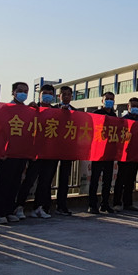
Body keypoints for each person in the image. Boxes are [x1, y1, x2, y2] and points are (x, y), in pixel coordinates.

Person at [14, 84, 58, 220]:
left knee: (45, 181)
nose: (47, 96)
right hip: (35, 152)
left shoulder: (56, 112)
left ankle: (38, 207)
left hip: (50, 152)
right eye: (45, 93)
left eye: (50, 94)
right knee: (29, 180)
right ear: (39, 95)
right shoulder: (32, 109)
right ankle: (19, 206)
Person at [0, 82, 31, 224]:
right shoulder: (6, 109)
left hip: (21, 152)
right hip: (7, 152)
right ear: (13, 92)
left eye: (25, 91)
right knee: (4, 181)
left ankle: (9, 210)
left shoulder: (27, 110)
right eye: (20, 90)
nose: (23, 93)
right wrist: (0, 150)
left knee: (15, 182)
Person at [88, 92, 118, 214]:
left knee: (108, 179)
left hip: (109, 152)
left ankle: (105, 204)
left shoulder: (114, 116)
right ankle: (92, 205)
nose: (109, 101)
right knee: (95, 179)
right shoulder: (96, 113)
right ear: (102, 101)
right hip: (98, 152)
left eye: (111, 99)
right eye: (107, 99)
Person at [113, 97, 138, 212]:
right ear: (128, 107)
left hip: (135, 154)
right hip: (124, 154)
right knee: (121, 179)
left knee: (131, 179)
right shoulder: (123, 120)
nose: (135, 108)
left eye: (137, 106)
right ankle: (117, 202)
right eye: (133, 106)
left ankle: (128, 203)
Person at [53, 86, 77, 216]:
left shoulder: (75, 112)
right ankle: (43, 206)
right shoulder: (52, 110)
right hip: (52, 149)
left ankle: (62, 205)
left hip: (68, 150)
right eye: (64, 94)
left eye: (69, 94)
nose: (66, 96)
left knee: (64, 178)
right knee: (48, 177)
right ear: (59, 96)